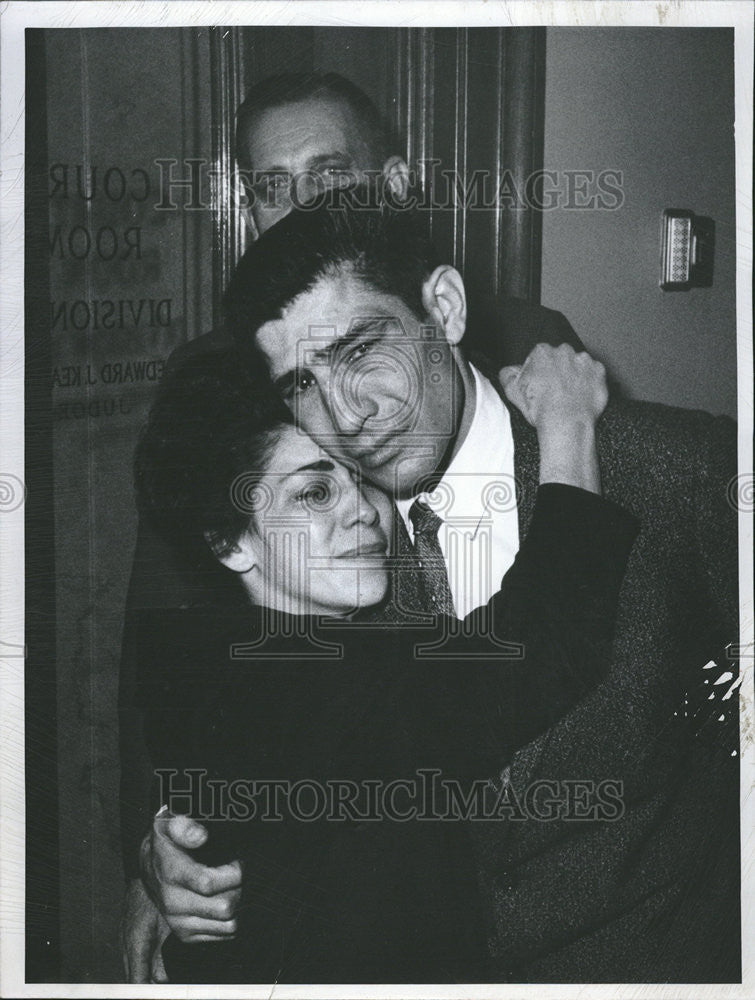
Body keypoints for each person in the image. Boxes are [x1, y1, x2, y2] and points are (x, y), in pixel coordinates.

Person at [144, 200, 739, 982]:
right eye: (301, 384)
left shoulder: (671, 469)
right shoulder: (321, 554)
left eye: (362, 351)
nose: (346, 415)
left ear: (445, 309)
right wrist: (172, 851)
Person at [119, 71, 586, 979]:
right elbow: (167, 652)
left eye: (328, 179)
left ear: (397, 188)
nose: (297, 210)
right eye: (270, 186)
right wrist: (163, 851)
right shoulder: (216, 388)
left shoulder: (527, 342)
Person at [131, 343, 637, 983]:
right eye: (314, 492)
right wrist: (568, 420)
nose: (363, 509)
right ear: (229, 542)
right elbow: (543, 642)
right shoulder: (305, 682)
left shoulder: (206, 655)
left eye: (356, 477)